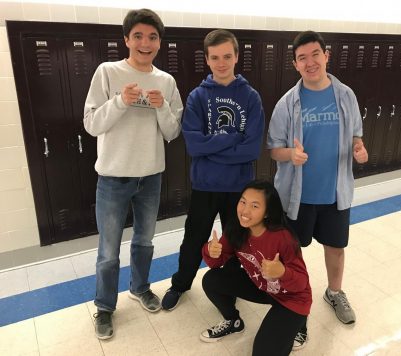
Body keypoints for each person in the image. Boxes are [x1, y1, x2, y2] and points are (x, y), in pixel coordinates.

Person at [83, 8, 183, 339]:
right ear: (126, 39)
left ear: (159, 42)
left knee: (144, 241)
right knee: (108, 251)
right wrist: (120, 102)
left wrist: (161, 107)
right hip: (112, 178)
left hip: (150, 177)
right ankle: (105, 307)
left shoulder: (166, 81)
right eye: (138, 36)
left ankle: (140, 288)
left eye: (152, 37)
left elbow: (172, 132)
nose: (145, 42)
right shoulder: (107, 72)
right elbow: (92, 123)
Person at [267, 31, 369, 345]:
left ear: (327, 55)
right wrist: (290, 156)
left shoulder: (345, 95)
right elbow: (274, 150)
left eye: (315, 54)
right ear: (295, 64)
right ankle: (296, 306)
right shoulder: (287, 103)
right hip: (297, 196)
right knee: (293, 256)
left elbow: (356, 137)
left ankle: (334, 292)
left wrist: (359, 150)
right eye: (302, 58)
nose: (310, 62)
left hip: (335, 191)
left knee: (336, 248)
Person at [161, 29, 265, 310]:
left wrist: (213, 146)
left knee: (236, 241)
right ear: (207, 59)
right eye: (215, 57)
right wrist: (232, 139)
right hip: (205, 185)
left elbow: (252, 149)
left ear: (236, 57)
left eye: (227, 56)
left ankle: (229, 285)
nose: (222, 63)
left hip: (239, 188)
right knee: (194, 238)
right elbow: (194, 146)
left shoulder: (250, 97)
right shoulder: (197, 97)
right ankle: (180, 284)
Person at [200, 180, 312, 356]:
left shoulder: (283, 238)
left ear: (267, 212)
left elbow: (301, 283)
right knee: (211, 280)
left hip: (291, 298)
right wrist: (210, 250)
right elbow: (215, 264)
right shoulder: (236, 229)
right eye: (243, 202)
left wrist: (282, 272)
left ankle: (299, 324)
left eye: (254, 206)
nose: (244, 211)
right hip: (262, 286)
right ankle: (233, 321)